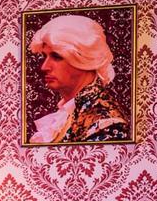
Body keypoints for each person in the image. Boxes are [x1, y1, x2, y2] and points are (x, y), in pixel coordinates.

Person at [28, 14, 130, 144]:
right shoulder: (70, 113)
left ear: (84, 59)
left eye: (57, 57)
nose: (44, 67)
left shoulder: (106, 124)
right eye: (45, 56)